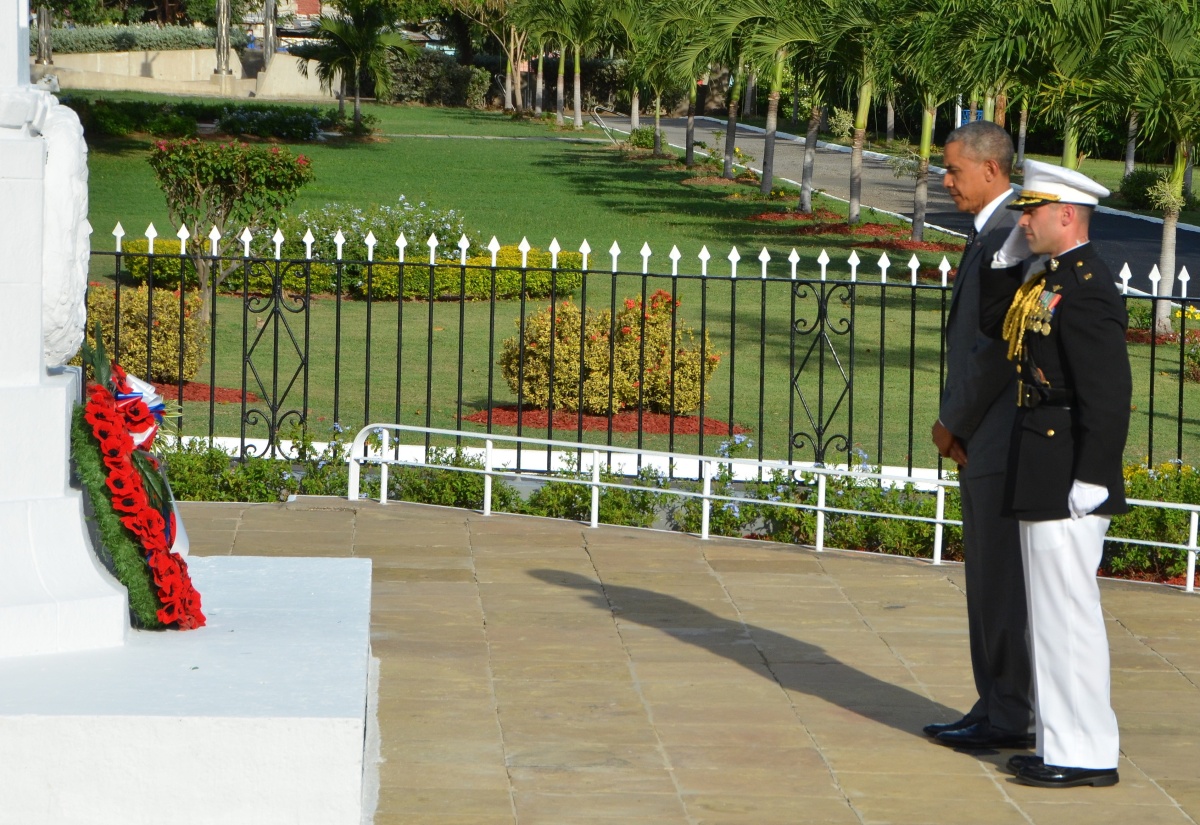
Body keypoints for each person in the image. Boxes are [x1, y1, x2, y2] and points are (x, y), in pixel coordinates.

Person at [980, 159, 1130, 788]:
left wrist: (1094, 473)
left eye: (1032, 211)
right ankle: (1061, 742)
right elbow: (996, 327)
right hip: (1042, 463)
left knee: (1069, 614)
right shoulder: (1049, 277)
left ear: (1066, 214)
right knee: (1050, 614)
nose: (1024, 220)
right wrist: (1009, 258)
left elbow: (1108, 392)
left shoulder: (1089, 285)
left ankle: (1087, 753)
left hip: (1069, 470)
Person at [926, 120, 1035, 750]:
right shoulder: (991, 229)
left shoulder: (1011, 234)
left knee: (998, 581)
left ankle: (1008, 714)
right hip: (984, 434)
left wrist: (953, 424)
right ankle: (994, 700)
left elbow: (995, 348)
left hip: (994, 434)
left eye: (954, 170)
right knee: (988, 579)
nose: (947, 181)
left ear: (991, 170)